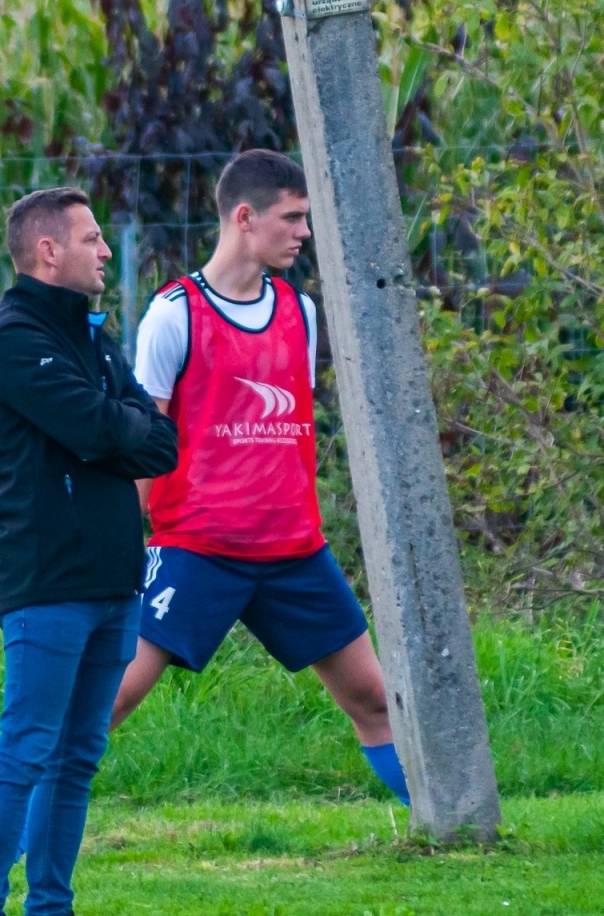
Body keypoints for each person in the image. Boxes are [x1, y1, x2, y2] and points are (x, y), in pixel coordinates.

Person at [112, 149, 411, 807]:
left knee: (375, 699)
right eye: (293, 217)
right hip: (196, 549)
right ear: (245, 217)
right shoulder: (174, 313)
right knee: (113, 696)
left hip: (294, 554)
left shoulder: (298, 312)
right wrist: (115, 546)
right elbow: (142, 446)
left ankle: (446, 837)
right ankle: (22, 835)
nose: (305, 232)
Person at [0, 187, 177, 916]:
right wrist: (118, 423)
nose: (106, 250)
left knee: (80, 752)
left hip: (116, 578)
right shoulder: (13, 340)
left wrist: (118, 424)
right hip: (46, 582)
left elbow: (160, 443)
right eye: (91, 238)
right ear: (48, 251)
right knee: (27, 746)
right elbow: (94, 426)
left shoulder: (92, 336)